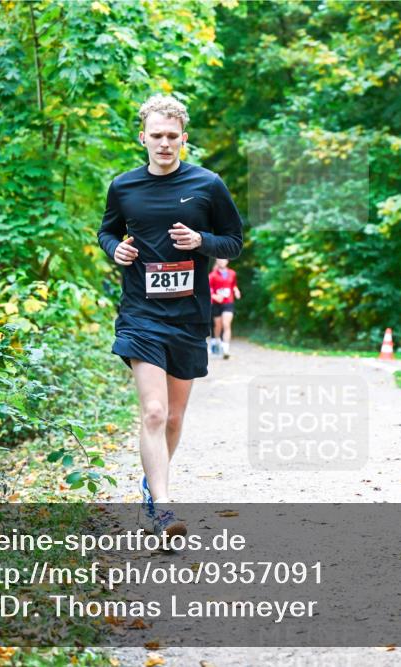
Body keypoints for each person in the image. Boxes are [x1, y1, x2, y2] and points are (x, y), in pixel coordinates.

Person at [97, 95, 244, 537]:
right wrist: (115, 249)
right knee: (155, 413)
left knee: (175, 419)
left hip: (188, 316)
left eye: (172, 137)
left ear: (184, 139)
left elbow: (233, 242)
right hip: (141, 314)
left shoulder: (208, 184)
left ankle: (150, 486)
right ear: (142, 137)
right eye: (156, 136)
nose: (164, 144)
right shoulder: (124, 186)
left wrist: (200, 240)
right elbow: (107, 230)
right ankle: (162, 510)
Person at [208, 258, 240, 359]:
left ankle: (226, 349)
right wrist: (215, 296)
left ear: (227, 261)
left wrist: (236, 291)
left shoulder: (232, 273)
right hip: (216, 304)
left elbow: (233, 285)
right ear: (217, 261)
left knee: (226, 324)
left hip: (228, 302)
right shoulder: (212, 275)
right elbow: (208, 290)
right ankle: (216, 341)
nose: (222, 262)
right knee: (218, 325)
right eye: (220, 260)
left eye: (224, 260)